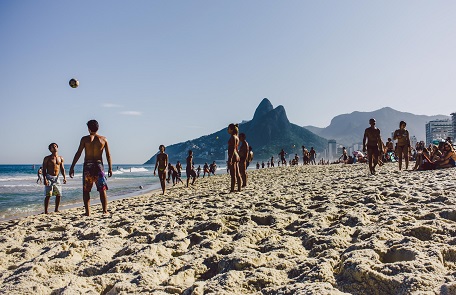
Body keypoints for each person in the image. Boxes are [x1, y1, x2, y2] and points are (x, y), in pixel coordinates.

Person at [69, 120, 112, 216]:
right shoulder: (103, 139)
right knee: (102, 189)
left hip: (88, 165)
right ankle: (105, 211)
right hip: (98, 165)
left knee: (86, 190)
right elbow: (108, 155)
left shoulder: (84, 139)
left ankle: (88, 212)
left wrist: (72, 166)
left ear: (88, 128)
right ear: (98, 128)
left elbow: (78, 153)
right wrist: (110, 168)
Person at [42, 143, 66, 214]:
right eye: (53, 147)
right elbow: (44, 169)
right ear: (50, 149)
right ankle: (46, 211)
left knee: (58, 194)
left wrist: (64, 177)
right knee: (48, 195)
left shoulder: (60, 158)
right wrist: (45, 179)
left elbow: (62, 168)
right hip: (49, 177)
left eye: (55, 146)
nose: (55, 147)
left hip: (57, 178)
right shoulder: (47, 158)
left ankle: (56, 209)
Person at [227, 123, 242, 192]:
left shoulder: (233, 137)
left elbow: (232, 148)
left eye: (228, 128)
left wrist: (230, 159)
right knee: (237, 173)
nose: (227, 130)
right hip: (236, 155)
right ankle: (239, 189)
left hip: (233, 156)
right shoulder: (237, 137)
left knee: (233, 174)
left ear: (232, 129)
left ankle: (232, 189)